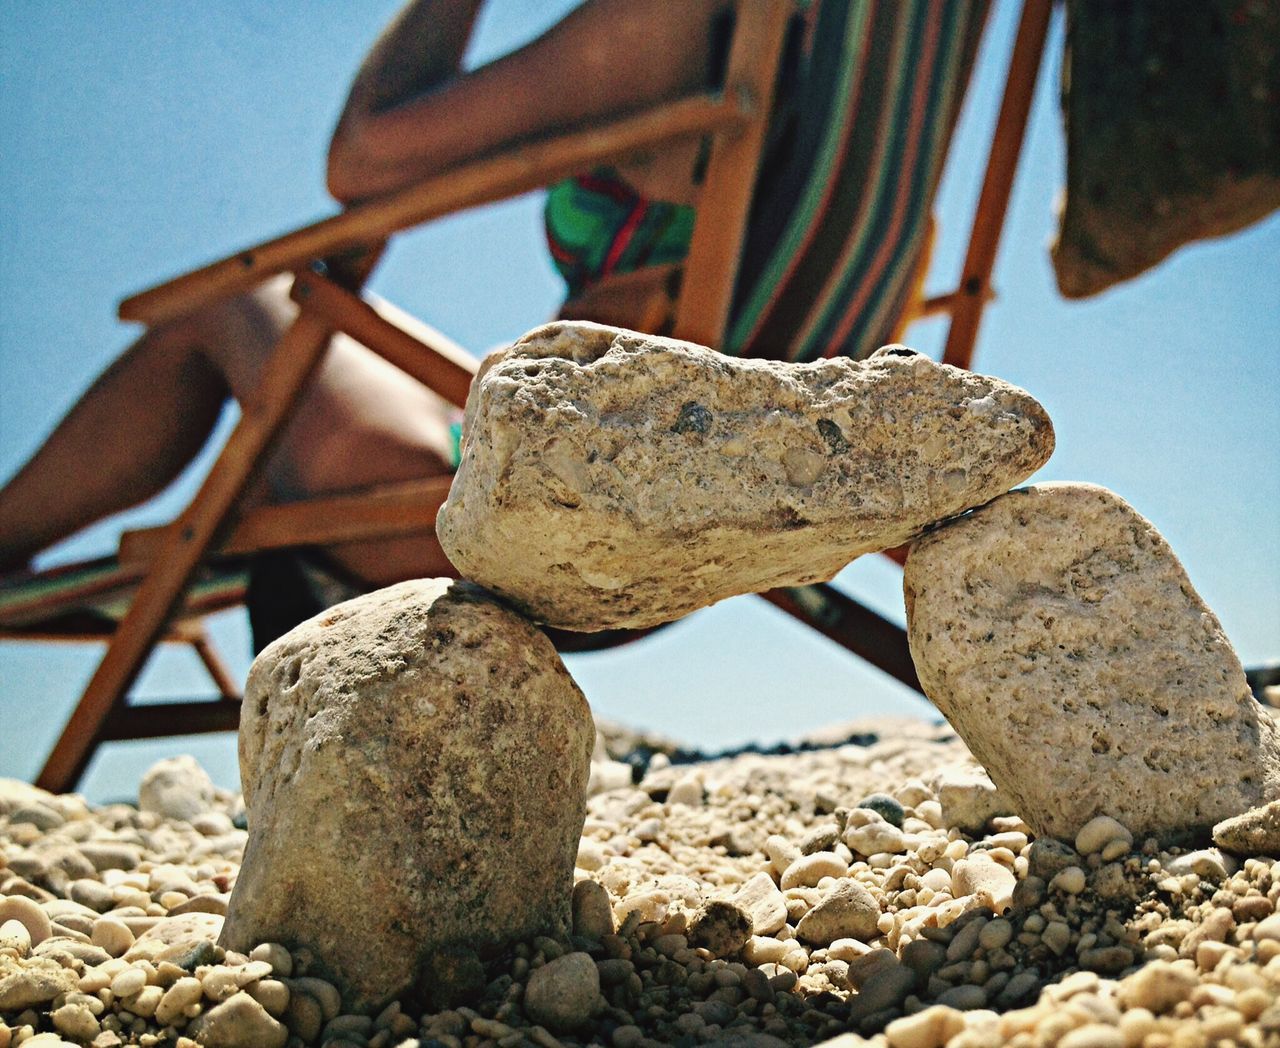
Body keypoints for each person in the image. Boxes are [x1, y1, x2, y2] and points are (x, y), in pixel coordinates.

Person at [0, 0, 734, 590]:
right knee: (265, 442)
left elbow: (365, 156)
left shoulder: (683, 19)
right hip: (704, 492)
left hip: (537, 507)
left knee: (230, 305)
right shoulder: (833, 48)